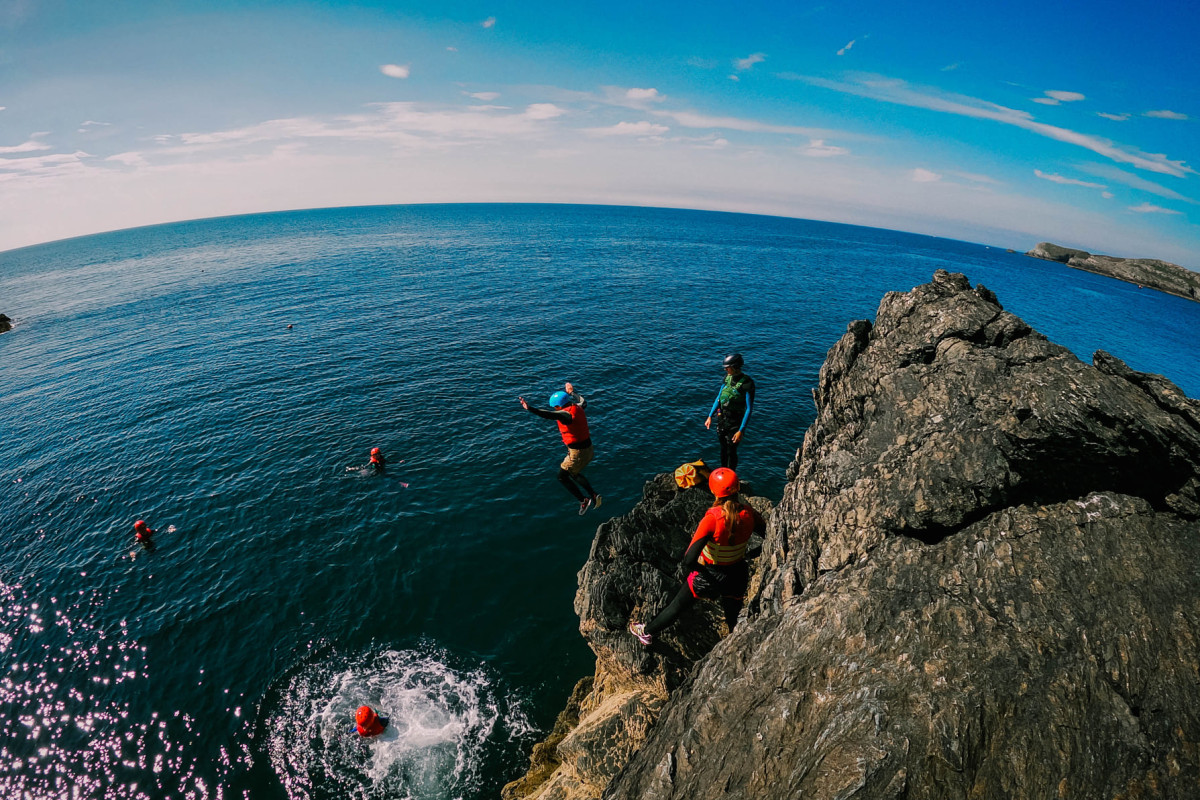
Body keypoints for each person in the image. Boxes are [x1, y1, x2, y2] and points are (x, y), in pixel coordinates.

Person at [629, 467, 764, 646]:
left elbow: (689, 560)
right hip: (738, 573)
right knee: (732, 615)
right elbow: (770, 535)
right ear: (737, 488)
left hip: (710, 573)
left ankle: (646, 632)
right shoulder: (749, 514)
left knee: (677, 606)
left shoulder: (712, 519)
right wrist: (749, 554)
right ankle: (735, 642)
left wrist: (706, 576)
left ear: (713, 491)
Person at [519, 382, 602, 515]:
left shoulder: (566, 415)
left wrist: (530, 408)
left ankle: (584, 500)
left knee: (562, 476)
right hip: (589, 449)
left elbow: (548, 414)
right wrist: (571, 392)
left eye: (555, 407)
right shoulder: (578, 407)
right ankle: (593, 495)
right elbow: (583, 401)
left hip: (578, 453)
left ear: (558, 406)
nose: (555, 409)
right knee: (573, 473)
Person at [704, 353, 756, 471]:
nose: (725, 369)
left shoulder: (747, 383)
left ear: (735, 366)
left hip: (735, 422)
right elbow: (719, 397)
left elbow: (749, 408)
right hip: (722, 419)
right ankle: (722, 472)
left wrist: (741, 430)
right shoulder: (727, 378)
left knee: (731, 450)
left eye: (727, 367)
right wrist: (710, 416)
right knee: (723, 449)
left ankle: (730, 474)